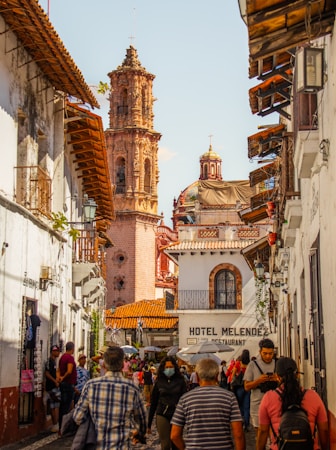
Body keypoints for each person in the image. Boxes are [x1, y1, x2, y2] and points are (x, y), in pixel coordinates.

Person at [73, 346, 147, 449]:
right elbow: (142, 419)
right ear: (122, 365)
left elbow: (78, 417)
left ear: (104, 365)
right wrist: (139, 433)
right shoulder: (132, 388)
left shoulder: (91, 386)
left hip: (97, 445)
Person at [170, 358, 245, 450]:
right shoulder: (229, 397)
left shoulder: (185, 399)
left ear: (197, 377)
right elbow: (238, 434)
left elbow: (174, 435)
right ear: (217, 376)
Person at [257, 357, 329, 450]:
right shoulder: (313, 396)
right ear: (297, 375)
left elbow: (263, 431)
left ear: (277, 377)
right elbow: (324, 429)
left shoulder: (268, 398)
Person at [148, 356, 187, 450]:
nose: (169, 369)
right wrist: (148, 424)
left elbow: (185, 400)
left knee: (175, 442)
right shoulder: (159, 382)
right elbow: (153, 402)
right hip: (162, 414)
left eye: (171, 367)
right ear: (163, 368)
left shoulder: (180, 381)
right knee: (165, 444)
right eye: (167, 367)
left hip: (177, 415)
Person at [244, 338, 278, 430]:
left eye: (270, 354)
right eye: (265, 353)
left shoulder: (278, 364)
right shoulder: (252, 365)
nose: (268, 356)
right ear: (260, 351)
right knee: (260, 435)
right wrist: (259, 381)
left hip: (276, 405)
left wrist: (277, 379)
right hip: (258, 405)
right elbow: (246, 387)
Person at [57, 341, 77, 427]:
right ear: (72, 349)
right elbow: (69, 371)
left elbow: (58, 370)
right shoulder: (69, 358)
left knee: (63, 405)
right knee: (67, 406)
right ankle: (64, 426)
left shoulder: (62, 357)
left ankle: (61, 425)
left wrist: (59, 378)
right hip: (68, 384)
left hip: (63, 384)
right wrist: (63, 377)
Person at [231, 349, 251, 431]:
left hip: (239, 387)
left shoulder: (238, 364)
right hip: (247, 386)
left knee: (239, 405)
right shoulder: (250, 364)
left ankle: (241, 421)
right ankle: (246, 424)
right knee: (247, 406)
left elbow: (233, 375)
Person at [44, 344, 61, 432]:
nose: (58, 353)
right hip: (51, 387)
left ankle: (55, 424)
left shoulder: (54, 362)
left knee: (55, 405)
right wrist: (55, 381)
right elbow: (47, 373)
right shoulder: (49, 362)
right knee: (53, 406)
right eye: (57, 351)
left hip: (54, 386)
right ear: (53, 352)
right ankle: (55, 424)